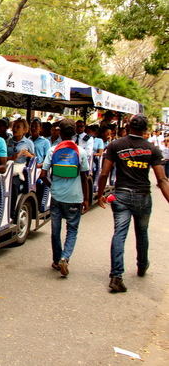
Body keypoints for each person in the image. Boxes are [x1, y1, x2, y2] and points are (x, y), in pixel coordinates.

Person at [97, 115, 169, 293]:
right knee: (142, 232)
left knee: (119, 234)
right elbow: (162, 179)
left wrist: (99, 194)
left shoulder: (116, 145)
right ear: (145, 130)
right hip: (143, 196)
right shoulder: (151, 148)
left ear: (128, 127)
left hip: (121, 195)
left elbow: (104, 173)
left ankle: (116, 276)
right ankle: (142, 265)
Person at [40, 119, 90, 278]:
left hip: (56, 196)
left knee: (56, 230)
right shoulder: (80, 152)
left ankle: (56, 260)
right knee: (72, 229)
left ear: (59, 133)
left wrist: (52, 186)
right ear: (75, 132)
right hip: (75, 197)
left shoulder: (53, 150)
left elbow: (43, 175)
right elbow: (85, 178)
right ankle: (64, 257)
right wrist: (86, 199)